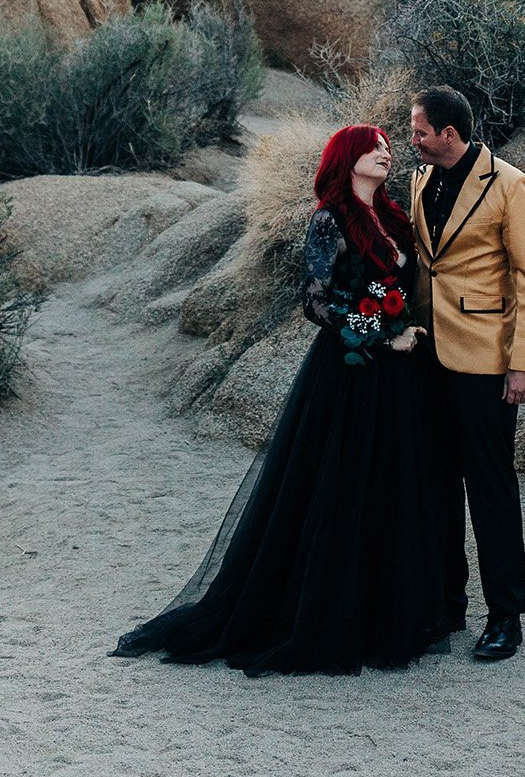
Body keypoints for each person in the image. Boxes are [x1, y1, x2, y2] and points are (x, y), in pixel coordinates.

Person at [111, 124, 456, 675]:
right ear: (346, 157)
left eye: (388, 147)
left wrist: (405, 327)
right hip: (348, 373)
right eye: (374, 147)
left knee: (390, 483)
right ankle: (322, 614)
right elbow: (316, 302)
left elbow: (403, 287)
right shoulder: (328, 219)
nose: (385, 153)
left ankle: (383, 614)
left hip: (398, 376)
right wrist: (379, 333)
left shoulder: (393, 218)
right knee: (338, 486)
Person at [409, 86, 525, 664]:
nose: (413, 140)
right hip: (425, 359)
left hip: (486, 363)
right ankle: (447, 606)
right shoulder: (420, 180)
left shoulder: (511, 185)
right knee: (437, 487)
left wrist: (523, 363)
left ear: (450, 133)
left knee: (490, 489)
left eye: (420, 131)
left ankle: (505, 618)